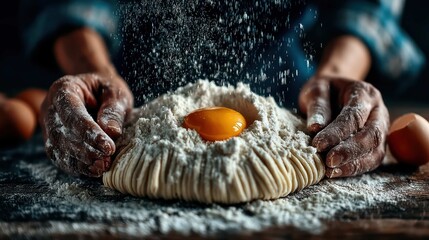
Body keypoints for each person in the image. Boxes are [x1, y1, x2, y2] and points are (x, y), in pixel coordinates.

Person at [19, 0, 424, 178]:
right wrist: (94, 72)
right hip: (125, 111)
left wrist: (336, 72)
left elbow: (367, 6)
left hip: (294, 106)